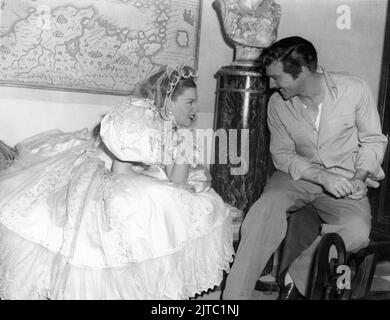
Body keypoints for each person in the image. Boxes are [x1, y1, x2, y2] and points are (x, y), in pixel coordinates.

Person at [0, 65, 236, 300]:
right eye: (190, 102)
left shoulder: (171, 128)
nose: (196, 108)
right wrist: (152, 182)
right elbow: (120, 173)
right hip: (112, 175)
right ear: (168, 102)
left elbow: (178, 180)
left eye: (196, 102)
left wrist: (183, 135)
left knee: (198, 202)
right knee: (153, 203)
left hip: (138, 175)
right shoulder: (140, 121)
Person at [222, 36, 388, 300]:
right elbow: (282, 155)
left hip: (346, 181)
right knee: (264, 210)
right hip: (297, 177)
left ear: (303, 71)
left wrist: (360, 176)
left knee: (357, 231)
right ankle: (232, 300)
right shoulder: (277, 103)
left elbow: (373, 140)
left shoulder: (355, 90)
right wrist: (321, 176)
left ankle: (295, 276)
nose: (271, 85)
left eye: (276, 78)